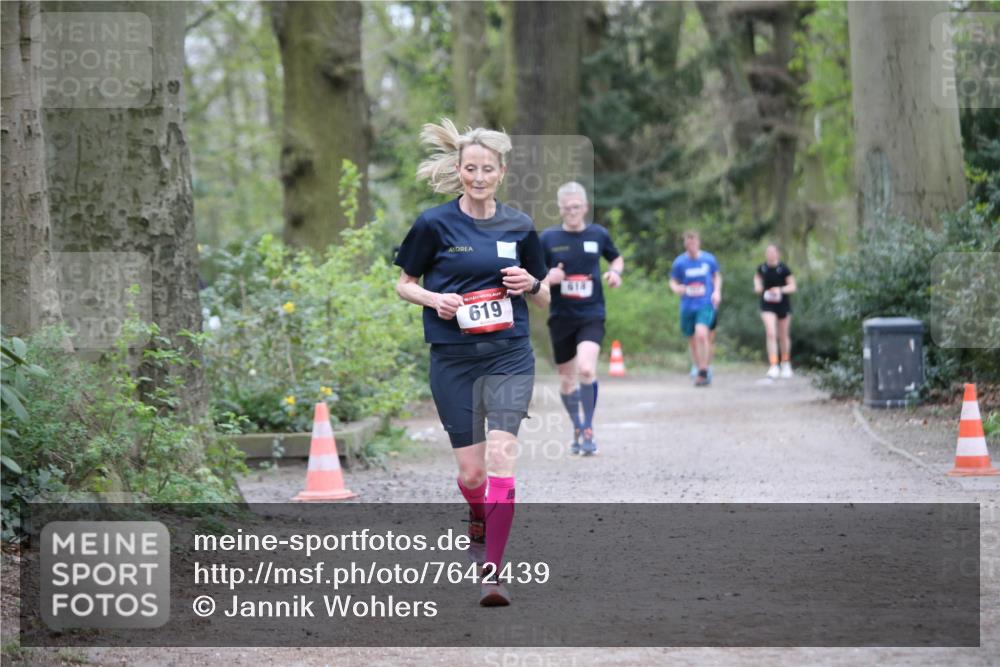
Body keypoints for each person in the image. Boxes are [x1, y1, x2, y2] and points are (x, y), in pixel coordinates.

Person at [394, 119, 550, 607]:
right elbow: (403, 282)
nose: (478, 177)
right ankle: (477, 512)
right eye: (470, 169)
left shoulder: (520, 226)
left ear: (500, 173)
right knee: (472, 475)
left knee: (502, 457)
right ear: (458, 171)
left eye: (487, 169)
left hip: (509, 354)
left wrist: (532, 286)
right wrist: (432, 299)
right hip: (453, 360)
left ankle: (493, 573)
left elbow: (544, 298)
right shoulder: (433, 224)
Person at [540, 182, 623, 456]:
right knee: (567, 381)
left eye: (577, 207)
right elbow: (535, 276)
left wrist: (615, 273)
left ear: (585, 207)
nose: (572, 212)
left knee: (586, 369)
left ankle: (587, 428)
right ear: (560, 209)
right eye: (567, 208)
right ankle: (577, 426)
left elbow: (616, 258)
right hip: (561, 317)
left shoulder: (598, 234)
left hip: (591, 314)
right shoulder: (548, 238)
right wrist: (549, 278)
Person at [669, 231, 721, 387]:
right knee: (692, 340)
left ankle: (704, 370)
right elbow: (673, 281)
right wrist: (677, 288)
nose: (691, 244)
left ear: (699, 242)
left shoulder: (708, 259)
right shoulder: (679, 262)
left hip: (705, 303)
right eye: (688, 241)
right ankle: (699, 367)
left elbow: (716, 276)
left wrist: (717, 291)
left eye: (694, 241)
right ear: (685, 243)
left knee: (702, 335)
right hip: (687, 306)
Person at [754, 244, 796, 379]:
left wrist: (780, 290)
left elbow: (792, 286)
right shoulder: (762, 268)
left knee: (783, 335)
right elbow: (757, 281)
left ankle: (785, 362)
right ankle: (773, 364)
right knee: (771, 333)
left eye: (773, 252)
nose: (770, 254)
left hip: (782, 305)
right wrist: (758, 287)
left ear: (778, 253)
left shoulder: (783, 269)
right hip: (767, 305)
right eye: (768, 252)